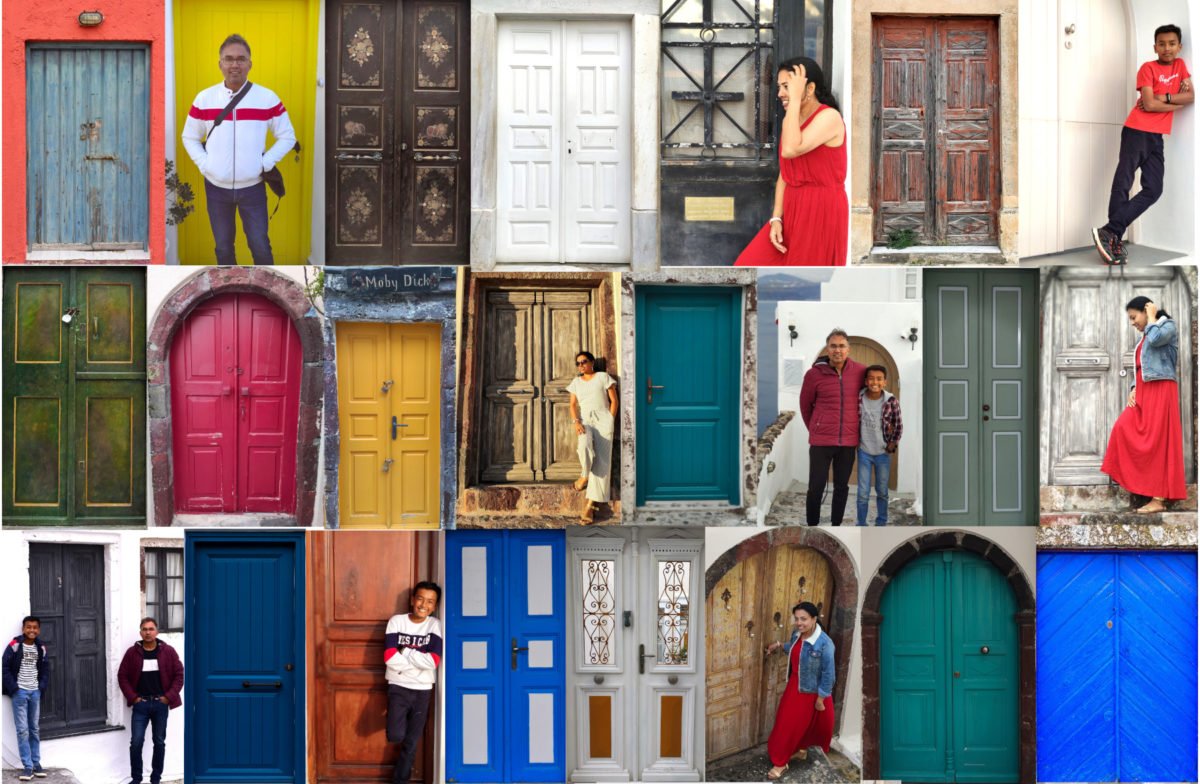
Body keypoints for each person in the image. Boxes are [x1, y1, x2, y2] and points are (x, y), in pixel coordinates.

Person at [182, 33, 297, 265]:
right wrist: (207, 165)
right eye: (229, 58)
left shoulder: (267, 98)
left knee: (260, 246)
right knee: (223, 248)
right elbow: (189, 137)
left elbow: (287, 136)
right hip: (216, 188)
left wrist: (264, 164)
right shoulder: (204, 99)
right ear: (220, 63)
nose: (235, 64)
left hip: (252, 188)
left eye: (241, 59)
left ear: (250, 63)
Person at [1092, 24, 1192, 264]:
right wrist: (1174, 102)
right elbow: (1148, 105)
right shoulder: (1147, 68)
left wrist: (1163, 98)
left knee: (1154, 189)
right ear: (1154, 47)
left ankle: (1110, 230)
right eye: (1161, 44)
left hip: (1157, 136)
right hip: (1137, 130)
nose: (1166, 48)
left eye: (1171, 44)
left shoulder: (1180, 66)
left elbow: (1191, 97)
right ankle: (1113, 239)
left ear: (1179, 46)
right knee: (1124, 181)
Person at [734, 57, 847, 266]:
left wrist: (794, 101)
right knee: (747, 265)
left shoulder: (829, 117)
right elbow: (786, 173)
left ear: (809, 88)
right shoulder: (792, 118)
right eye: (779, 87)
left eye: (787, 87)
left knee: (805, 284)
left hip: (820, 208)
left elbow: (790, 150)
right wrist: (776, 218)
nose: (780, 94)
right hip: (792, 207)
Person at [1101, 297, 1185, 512]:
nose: (1132, 322)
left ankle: (1158, 500)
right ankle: (1139, 484)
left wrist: (1152, 318)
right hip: (1145, 390)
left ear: (1145, 311)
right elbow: (1141, 367)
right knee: (1123, 428)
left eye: (1133, 317)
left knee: (1158, 441)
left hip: (1161, 389)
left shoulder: (1166, 326)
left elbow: (1157, 340)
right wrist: (1133, 388)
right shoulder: (1145, 336)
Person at [799, 329, 866, 525]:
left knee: (841, 487)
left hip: (848, 441)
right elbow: (805, 406)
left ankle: (837, 525)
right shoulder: (813, 375)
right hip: (821, 441)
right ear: (827, 349)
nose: (838, 350)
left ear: (848, 349)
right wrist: (815, 428)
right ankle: (812, 526)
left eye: (842, 346)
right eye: (833, 346)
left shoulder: (861, 371)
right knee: (816, 486)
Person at [762, 602, 835, 780]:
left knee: (789, 726)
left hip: (811, 692)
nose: (799, 623)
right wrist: (779, 645)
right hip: (795, 686)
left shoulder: (825, 644)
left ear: (814, 619)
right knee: (791, 724)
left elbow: (829, 674)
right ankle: (800, 751)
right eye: (797, 619)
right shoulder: (797, 635)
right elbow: (795, 649)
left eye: (803, 619)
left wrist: (821, 698)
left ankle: (780, 762)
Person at [384, 581, 443, 784]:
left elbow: (433, 661)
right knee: (396, 734)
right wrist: (419, 664)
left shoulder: (435, 625)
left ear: (434, 606)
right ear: (412, 599)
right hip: (398, 686)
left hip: (422, 691)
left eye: (430, 602)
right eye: (420, 598)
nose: (423, 605)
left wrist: (406, 650)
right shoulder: (397, 621)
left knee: (411, 742)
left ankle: (400, 781)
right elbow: (389, 657)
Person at [117, 618, 184, 784]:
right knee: (136, 742)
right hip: (141, 705)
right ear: (140, 632)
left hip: (161, 704)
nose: (148, 632)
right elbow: (122, 676)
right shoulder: (132, 653)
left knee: (159, 742)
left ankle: (156, 779)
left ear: (157, 632)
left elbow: (179, 675)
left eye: (151, 629)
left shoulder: (168, 651)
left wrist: (168, 697)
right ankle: (137, 778)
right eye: (144, 629)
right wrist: (134, 698)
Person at [568, 351, 619, 524]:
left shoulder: (603, 377)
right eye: (578, 363)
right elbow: (573, 404)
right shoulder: (576, 382)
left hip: (604, 421)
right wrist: (576, 422)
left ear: (591, 362)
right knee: (584, 445)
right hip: (586, 422)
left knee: (603, 463)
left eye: (584, 362)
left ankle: (589, 506)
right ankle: (584, 475)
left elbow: (614, 400)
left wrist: (610, 419)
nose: (581, 365)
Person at [2, 616, 49, 781]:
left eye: (35, 627)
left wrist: (41, 687)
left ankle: (37, 764)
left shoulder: (41, 647)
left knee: (34, 729)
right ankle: (27, 766)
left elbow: (45, 669)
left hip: (35, 692)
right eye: (28, 627)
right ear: (23, 629)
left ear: (39, 630)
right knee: (22, 730)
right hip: (20, 693)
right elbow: (5, 666)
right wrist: (14, 688)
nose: (32, 630)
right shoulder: (15, 645)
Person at [857, 365, 903, 526]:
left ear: (884, 382)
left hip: (882, 453)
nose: (874, 382)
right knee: (863, 492)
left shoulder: (891, 401)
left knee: (882, 491)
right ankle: (861, 523)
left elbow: (898, 425)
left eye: (878, 379)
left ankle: (881, 522)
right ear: (865, 381)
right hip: (864, 451)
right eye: (871, 378)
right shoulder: (859, 398)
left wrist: (892, 444)